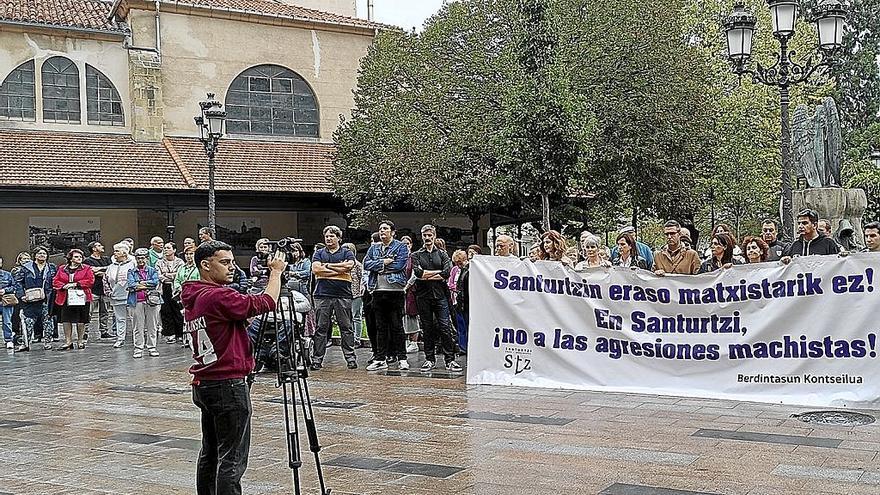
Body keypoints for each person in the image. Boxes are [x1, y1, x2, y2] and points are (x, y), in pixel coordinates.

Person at [183, 240, 285, 495]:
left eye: (232, 262)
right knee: (232, 458)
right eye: (225, 262)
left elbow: (233, 319)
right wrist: (276, 272)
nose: (232, 268)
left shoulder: (195, 294)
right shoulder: (218, 295)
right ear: (206, 265)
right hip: (227, 382)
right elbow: (266, 303)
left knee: (211, 452)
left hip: (206, 381)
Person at [412, 224, 460, 372]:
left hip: (440, 295)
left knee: (445, 327)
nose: (427, 238)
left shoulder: (443, 254)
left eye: (429, 235)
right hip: (423, 296)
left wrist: (427, 274)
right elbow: (418, 274)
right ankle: (429, 359)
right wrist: (435, 274)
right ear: (421, 236)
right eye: (425, 235)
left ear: (434, 235)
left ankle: (450, 360)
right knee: (427, 328)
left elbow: (447, 273)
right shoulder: (416, 255)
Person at [363, 220, 410, 371]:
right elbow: (366, 264)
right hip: (377, 290)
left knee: (396, 325)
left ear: (393, 232)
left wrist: (379, 267)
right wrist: (384, 262)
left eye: (385, 229)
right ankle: (380, 358)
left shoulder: (401, 246)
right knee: (380, 326)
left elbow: (400, 265)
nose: (382, 231)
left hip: (395, 290)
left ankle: (402, 357)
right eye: (380, 229)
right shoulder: (374, 248)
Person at [310, 226, 357, 370]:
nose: (329, 239)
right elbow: (316, 270)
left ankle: (350, 358)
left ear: (338, 238)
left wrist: (327, 267)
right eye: (327, 236)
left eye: (332, 236)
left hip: (343, 294)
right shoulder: (319, 253)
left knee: (346, 327)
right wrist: (339, 271)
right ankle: (317, 360)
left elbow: (349, 266)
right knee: (321, 328)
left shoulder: (346, 252)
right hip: (322, 295)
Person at [14, 246, 57, 351]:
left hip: (47, 298)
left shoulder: (51, 267)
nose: (42, 255)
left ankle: (47, 342)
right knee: (28, 321)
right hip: (30, 298)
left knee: (48, 321)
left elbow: (56, 281)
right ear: (35, 255)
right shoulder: (26, 267)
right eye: (39, 253)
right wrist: (21, 295)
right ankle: (26, 343)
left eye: (44, 253)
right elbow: (18, 282)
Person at [51, 249, 95, 350]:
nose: (79, 258)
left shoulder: (87, 268)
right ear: (70, 258)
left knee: (81, 320)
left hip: (81, 297)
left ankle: (80, 341)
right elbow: (55, 280)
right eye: (76, 257)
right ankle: (68, 341)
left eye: (80, 257)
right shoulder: (62, 268)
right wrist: (63, 286)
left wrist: (77, 284)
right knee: (66, 319)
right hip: (65, 297)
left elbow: (90, 280)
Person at [128, 248, 161, 358]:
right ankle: (138, 348)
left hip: (152, 301)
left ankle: (152, 347)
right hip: (137, 301)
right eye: (138, 258)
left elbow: (155, 283)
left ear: (147, 258)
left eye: (143, 258)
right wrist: (146, 285)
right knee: (138, 326)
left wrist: (140, 284)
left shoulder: (152, 270)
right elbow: (131, 285)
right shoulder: (131, 271)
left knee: (152, 326)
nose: (140, 260)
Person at [105, 243, 136, 349]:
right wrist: (109, 292)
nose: (115, 253)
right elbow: (106, 280)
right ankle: (120, 338)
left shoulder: (132, 264)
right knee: (119, 318)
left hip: (130, 295)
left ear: (124, 252)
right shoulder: (110, 267)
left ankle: (137, 338)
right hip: (116, 296)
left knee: (134, 317)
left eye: (117, 251)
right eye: (115, 251)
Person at [156, 242, 185, 344]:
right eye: (165, 248)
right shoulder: (159, 262)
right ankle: (169, 334)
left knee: (177, 310)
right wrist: (169, 276)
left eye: (168, 248)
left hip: (175, 288)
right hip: (164, 288)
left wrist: (167, 274)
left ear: (174, 250)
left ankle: (179, 334)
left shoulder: (180, 262)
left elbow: (180, 274)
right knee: (165, 310)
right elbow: (158, 275)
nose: (165, 250)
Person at [83, 241, 112, 339]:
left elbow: (110, 270)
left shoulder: (106, 259)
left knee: (105, 312)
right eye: (99, 245)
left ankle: (104, 331)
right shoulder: (87, 261)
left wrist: (99, 270)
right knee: (89, 312)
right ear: (94, 249)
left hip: (104, 290)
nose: (102, 246)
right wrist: (103, 270)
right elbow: (90, 271)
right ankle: (84, 332)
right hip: (93, 290)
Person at [342, 243, 366, 349]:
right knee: (347, 318)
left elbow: (363, 278)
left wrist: (361, 289)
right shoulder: (341, 264)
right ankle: (349, 339)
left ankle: (357, 339)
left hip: (356, 294)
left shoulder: (357, 265)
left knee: (356, 316)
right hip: (344, 294)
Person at [400, 235, 420, 354]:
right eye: (403, 244)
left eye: (407, 244)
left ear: (411, 245)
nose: (406, 246)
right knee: (403, 315)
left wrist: (407, 286)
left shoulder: (413, 257)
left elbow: (415, 274)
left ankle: (414, 342)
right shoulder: (400, 258)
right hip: (400, 291)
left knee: (411, 314)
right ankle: (406, 340)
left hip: (411, 291)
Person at [450, 249, 470, 353]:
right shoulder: (462, 269)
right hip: (460, 302)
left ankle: (466, 346)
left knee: (466, 325)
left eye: (459, 262)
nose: (458, 265)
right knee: (462, 325)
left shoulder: (468, 270)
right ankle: (463, 346)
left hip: (465, 302)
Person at [10, 252, 31, 346]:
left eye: (28, 258)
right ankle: (17, 334)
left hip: (30, 295)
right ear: (19, 261)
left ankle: (27, 335)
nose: (26, 260)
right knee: (16, 315)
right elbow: (17, 283)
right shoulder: (16, 270)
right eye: (24, 259)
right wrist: (21, 294)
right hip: (19, 296)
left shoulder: (32, 270)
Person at [0, 256, 21, 349]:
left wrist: (5, 290)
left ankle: (8, 340)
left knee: (7, 321)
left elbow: (14, 287)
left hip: (6, 300)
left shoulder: (7, 275)